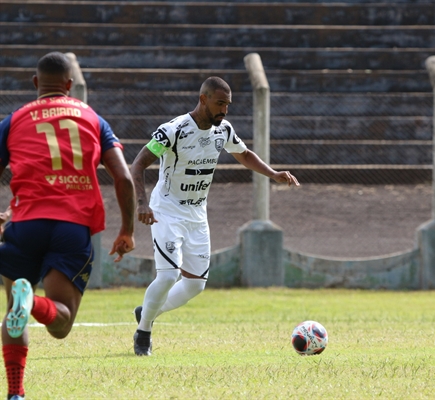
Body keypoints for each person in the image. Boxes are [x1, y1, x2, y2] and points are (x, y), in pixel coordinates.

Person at [131, 76, 299, 356]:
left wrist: (272, 173)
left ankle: (146, 312)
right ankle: (144, 332)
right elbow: (137, 165)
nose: (224, 110)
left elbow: (243, 154)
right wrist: (141, 203)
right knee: (169, 275)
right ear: (203, 99)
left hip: (197, 215)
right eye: (220, 104)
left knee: (195, 285)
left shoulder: (224, 130)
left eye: (228, 105)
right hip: (167, 212)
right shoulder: (172, 131)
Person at [0, 52, 135, 400]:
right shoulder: (92, 118)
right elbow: (124, 178)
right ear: (70, 85)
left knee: (13, 309)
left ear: (35, 84)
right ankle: (32, 303)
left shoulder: (13, 120)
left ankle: (16, 393)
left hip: (25, 224)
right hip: (71, 226)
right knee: (61, 322)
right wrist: (127, 230)